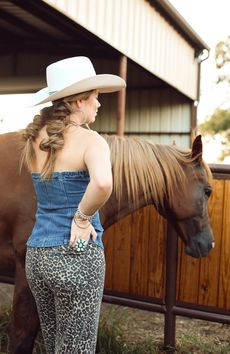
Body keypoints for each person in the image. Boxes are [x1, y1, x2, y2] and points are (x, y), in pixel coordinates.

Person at [20, 56, 126, 354]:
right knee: (76, 348)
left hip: (38, 256)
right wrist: (82, 218)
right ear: (79, 101)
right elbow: (103, 183)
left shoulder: (34, 140)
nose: (99, 104)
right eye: (96, 97)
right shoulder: (91, 141)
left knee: (55, 344)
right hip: (74, 254)